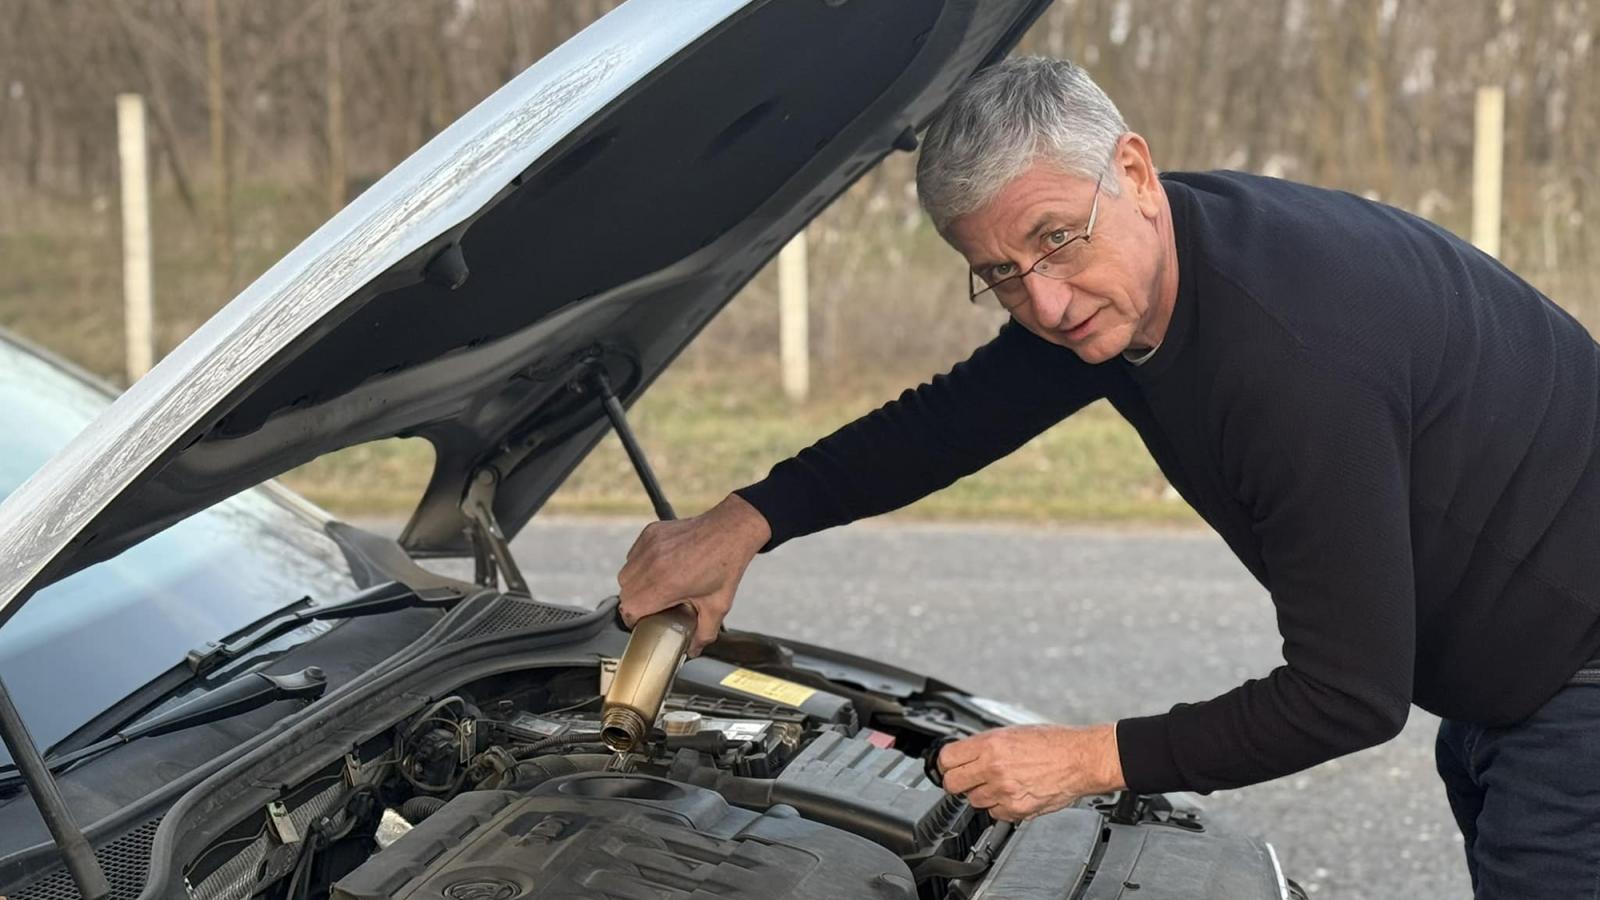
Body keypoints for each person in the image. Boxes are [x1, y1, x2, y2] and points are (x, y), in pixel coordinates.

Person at [615, 56, 1600, 898]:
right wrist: (743, 521)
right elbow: (948, 422)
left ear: (1131, 168)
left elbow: (1346, 695)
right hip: (1514, 678)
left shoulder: (1289, 356)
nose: (1040, 299)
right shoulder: (1135, 271)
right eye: (996, 272)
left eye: (1051, 238)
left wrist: (1082, 759)